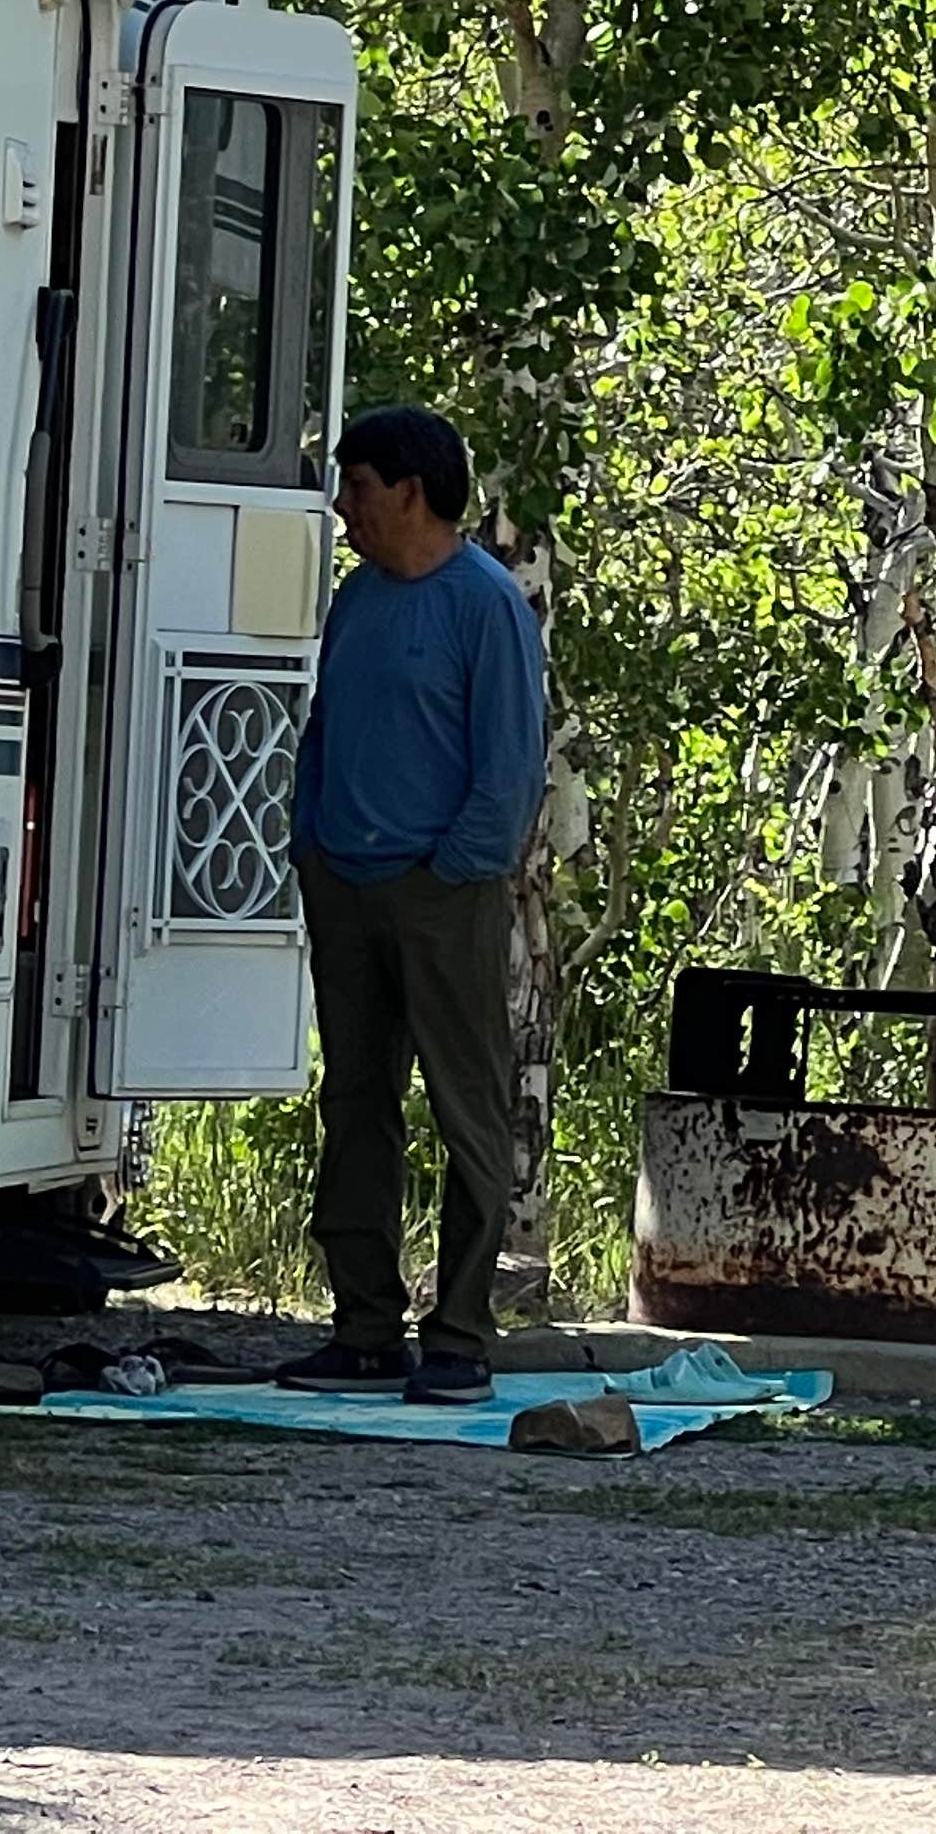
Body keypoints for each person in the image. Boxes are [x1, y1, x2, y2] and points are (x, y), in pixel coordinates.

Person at [274, 402, 548, 1407]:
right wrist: (310, 840)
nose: (343, 508)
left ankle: (461, 1335)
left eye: (356, 487)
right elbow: (326, 727)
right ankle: (363, 1329)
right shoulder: (358, 599)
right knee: (354, 1104)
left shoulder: (486, 604)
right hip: (343, 884)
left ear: (409, 491)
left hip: (443, 895)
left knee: (465, 1104)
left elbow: (511, 767)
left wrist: (453, 867)